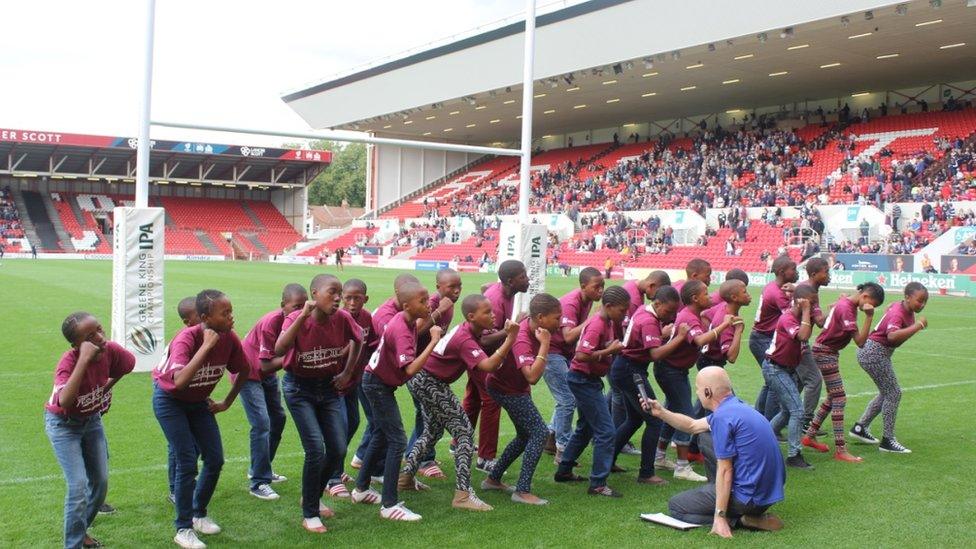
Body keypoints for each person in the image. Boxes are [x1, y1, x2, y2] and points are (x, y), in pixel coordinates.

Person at [401, 295, 518, 511]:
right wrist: (511, 338)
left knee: (432, 433)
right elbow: (489, 365)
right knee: (464, 433)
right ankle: (462, 495)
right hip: (430, 382)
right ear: (472, 317)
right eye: (487, 312)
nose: (493, 315)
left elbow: (483, 343)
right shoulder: (465, 338)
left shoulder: (470, 330)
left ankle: (406, 478)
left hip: (424, 380)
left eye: (492, 310)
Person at [153, 289, 249, 549]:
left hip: (197, 404)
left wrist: (226, 402)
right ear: (205, 317)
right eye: (225, 313)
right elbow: (180, 381)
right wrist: (207, 346)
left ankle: (199, 513)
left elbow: (244, 369)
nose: (231, 317)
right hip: (170, 402)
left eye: (231, 311)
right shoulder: (187, 337)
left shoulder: (229, 338)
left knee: (215, 458)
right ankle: (183, 528)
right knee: (186, 460)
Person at [642, 367, 786, 538]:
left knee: (676, 506)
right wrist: (661, 412)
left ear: (707, 392)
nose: (697, 392)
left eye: (698, 388)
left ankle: (742, 520)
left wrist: (720, 516)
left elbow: (726, 470)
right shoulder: (737, 407)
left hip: (748, 500)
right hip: (768, 495)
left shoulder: (722, 418)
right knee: (703, 436)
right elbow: (692, 426)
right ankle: (721, 497)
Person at [274, 274, 363, 533]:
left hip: (328, 388)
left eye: (339, 293)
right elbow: (279, 350)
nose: (337, 298)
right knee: (315, 449)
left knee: (337, 449)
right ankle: (310, 512)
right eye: (331, 292)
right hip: (299, 389)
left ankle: (311, 494)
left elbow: (358, 341)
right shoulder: (296, 318)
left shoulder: (343, 318)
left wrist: (347, 372)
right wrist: (302, 316)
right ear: (315, 293)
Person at [46, 312, 136, 549]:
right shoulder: (69, 362)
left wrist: (106, 387)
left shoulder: (110, 350)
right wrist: (84, 360)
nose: (99, 337)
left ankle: (82, 528)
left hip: (91, 421)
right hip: (64, 426)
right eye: (90, 336)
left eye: (99, 329)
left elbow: (128, 365)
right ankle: (73, 545)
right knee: (78, 487)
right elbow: (64, 401)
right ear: (77, 344)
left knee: (100, 481)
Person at [353, 282, 441, 521]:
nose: (428, 303)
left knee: (382, 434)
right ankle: (389, 504)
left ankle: (361, 489)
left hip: (378, 382)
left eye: (427, 299)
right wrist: (433, 342)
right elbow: (410, 368)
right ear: (406, 305)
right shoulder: (401, 327)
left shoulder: (407, 320)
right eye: (422, 301)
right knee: (397, 440)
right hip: (377, 385)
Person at [554, 286, 629, 497]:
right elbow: (580, 355)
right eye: (622, 310)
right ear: (608, 306)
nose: (624, 315)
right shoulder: (597, 323)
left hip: (588, 380)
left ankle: (564, 470)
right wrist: (609, 351)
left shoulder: (607, 321)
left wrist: (609, 346)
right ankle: (598, 484)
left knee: (586, 428)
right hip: (583, 380)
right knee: (606, 431)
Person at [486, 293, 561, 505]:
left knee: (524, 435)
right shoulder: (523, 339)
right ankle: (522, 490)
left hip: (513, 387)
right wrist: (545, 344)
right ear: (541, 317)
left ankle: (493, 479)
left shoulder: (533, 326)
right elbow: (532, 376)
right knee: (539, 433)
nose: (560, 321)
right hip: (506, 389)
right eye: (556, 317)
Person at [655, 280, 733, 481]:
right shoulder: (688, 317)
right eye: (706, 294)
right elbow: (699, 340)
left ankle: (660, 455)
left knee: (672, 410)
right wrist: (725, 324)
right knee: (685, 413)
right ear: (695, 298)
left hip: (673, 369)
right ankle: (682, 467)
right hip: (671, 370)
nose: (710, 296)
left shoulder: (691, 314)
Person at [236, 283, 307, 501]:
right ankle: (258, 482)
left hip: (266, 375)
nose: (300, 312)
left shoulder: (303, 320)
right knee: (261, 423)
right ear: (283, 305)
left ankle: (260, 468)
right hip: (247, 374)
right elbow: (265, 365)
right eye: (296, 306)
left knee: (278, 418)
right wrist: (294, 359)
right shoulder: (272, 322)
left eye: (304, 307)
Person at [610, 286, 687, 485]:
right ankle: (646, 473)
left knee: (634, 419)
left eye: (674, 312)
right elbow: (655, 354)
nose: (670, 316)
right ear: (658, 303)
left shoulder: (644, 311)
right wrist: (678, 337)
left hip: (624, 368)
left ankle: (607, 460)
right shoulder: (649, 321)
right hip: (631, 372)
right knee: (655, 420)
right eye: (668, 311)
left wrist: (661, 335)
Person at [802, 283, 885, 462]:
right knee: (840, 398)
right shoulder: (847, 308)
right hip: (825, 352)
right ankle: (840, 449)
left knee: (833, 396)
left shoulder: (848, 304)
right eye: (872, 304)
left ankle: (809, 435)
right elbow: (861, 342)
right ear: (864, 296)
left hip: (827, 351)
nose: (870, 308)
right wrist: (869, 317)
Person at [850, 282, 928, 454]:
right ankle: (888, 440)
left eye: (924, 302)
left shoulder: (902, 307)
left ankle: (860, 427)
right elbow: (892, 337)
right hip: (874, 353)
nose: (921, 305)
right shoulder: (899, 313)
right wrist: (917, 326)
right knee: (894, 393)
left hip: (875, 352)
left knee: (887, 393)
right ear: (907, 297)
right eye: (919, 301)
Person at [471, 260, 529, 472]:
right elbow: (484, 340)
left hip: (478, 354)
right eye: (523, 277)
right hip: (480, 354)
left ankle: (459, 443)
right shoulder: (496, 298)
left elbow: (486, 288)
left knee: (474, 398)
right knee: (490, 400)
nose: (528, 280)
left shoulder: (503, 291)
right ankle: (485, 458)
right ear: (510, 281)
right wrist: (515, 328)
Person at [546, 267, 604, 463]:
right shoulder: (572, 303)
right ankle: (563, 449)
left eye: (603, 286)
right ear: (583, 286)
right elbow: (568, 335)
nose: (601, 291)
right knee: (567, 399)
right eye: (597, 287)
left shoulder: (586, 300)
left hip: (563, 353)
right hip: (552, 351)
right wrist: (593, 321)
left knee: (567, 396)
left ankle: (550, 436)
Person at [762, 284, 816, 469]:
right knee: (797, 411)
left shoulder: (798, 316)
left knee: (787, 412)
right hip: (775, 369)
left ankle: (761, 442)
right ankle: (794, 455)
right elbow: (803, 335)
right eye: (811, 303)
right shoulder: (788, 318)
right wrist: (807, 311)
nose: (814, 307)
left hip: (786, 369)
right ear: (801, 303)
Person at [418, 268, 462, 479]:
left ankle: (421, 457)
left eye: (459, 286)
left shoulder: (450, 306)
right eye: (451, 287)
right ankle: (422, 460)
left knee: (427, 414)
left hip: (429, 366)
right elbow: (417, 331)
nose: (456, 291)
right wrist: (438, 311)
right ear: (438, 288)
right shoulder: (433, 303)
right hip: (415, 366)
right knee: (426, 414)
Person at [336, 279, 380, 486]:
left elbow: (370, 346)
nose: (352, 303)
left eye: (357, 298)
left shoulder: (366, 317)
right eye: (348, 298)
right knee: (340, 426)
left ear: (365, 299)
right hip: (335, 382)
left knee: (353, 422)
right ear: (342, 298)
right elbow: (335, 353)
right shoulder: (337, 318)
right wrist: (353, 344)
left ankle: (336, 467)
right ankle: (332, 474)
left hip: (354, 381)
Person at [751, 256, 798, 420]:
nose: (796, 271)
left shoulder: (772, 287)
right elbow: (792, 317)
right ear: (781, 272)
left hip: (760, 337)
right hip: (763, 338)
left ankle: (759, 418)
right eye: (793, 268)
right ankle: (771, 425)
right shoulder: (778, 293)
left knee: (771, 382)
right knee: (776, 381)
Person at [794, 258, 830, 430]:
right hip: (797, 340)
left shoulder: (806, 287)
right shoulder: (809, 291)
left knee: (798, 381)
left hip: (794, 338)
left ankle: (789, 416)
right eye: (826, 271)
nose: (829, 275)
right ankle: (805, 421)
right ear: (815, 274)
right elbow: (820, 321)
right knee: (814, 380)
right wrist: (837, 307)